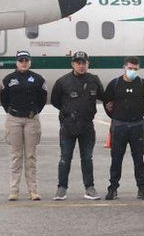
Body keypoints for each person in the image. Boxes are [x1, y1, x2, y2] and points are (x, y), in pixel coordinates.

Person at [50, 51, 105, 201]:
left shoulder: (94, 80)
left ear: (88, 64)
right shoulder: (63, 81)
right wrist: (68, 112)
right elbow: (55, 101)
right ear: (72, 64)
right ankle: (61, 188)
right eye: (78, 63)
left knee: (87, 158)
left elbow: (103, 96)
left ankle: (89, 188)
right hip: (68, 126)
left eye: (84, 63)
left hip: (87, 125)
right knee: (65, 158)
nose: (81, 66)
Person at [0, 50, 48, 201]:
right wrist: (12, 112)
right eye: (21, 60)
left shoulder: (38, 79)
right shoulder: (8, 79)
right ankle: (13, 190)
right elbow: (4, 99)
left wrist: (33, 112)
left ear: (30, 62)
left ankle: (33, 190)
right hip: (14, 119)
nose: (24, 63)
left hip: (31, 120)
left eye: (26, 60)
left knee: (31, 156)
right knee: (16, 156)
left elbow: (42, 99)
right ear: (16, 62)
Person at [103, 56, 144, 200]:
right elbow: (108, 103)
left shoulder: (143, 84)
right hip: (119, 126)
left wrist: (136, 115)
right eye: (130, 68)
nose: (132, 71)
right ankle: (113, 188)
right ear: (124, 67)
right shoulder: (115, 84)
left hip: (137, 125)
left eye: (135, 69)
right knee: (116, 158)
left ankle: (142, 188)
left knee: (138, 158)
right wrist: (116, 116)